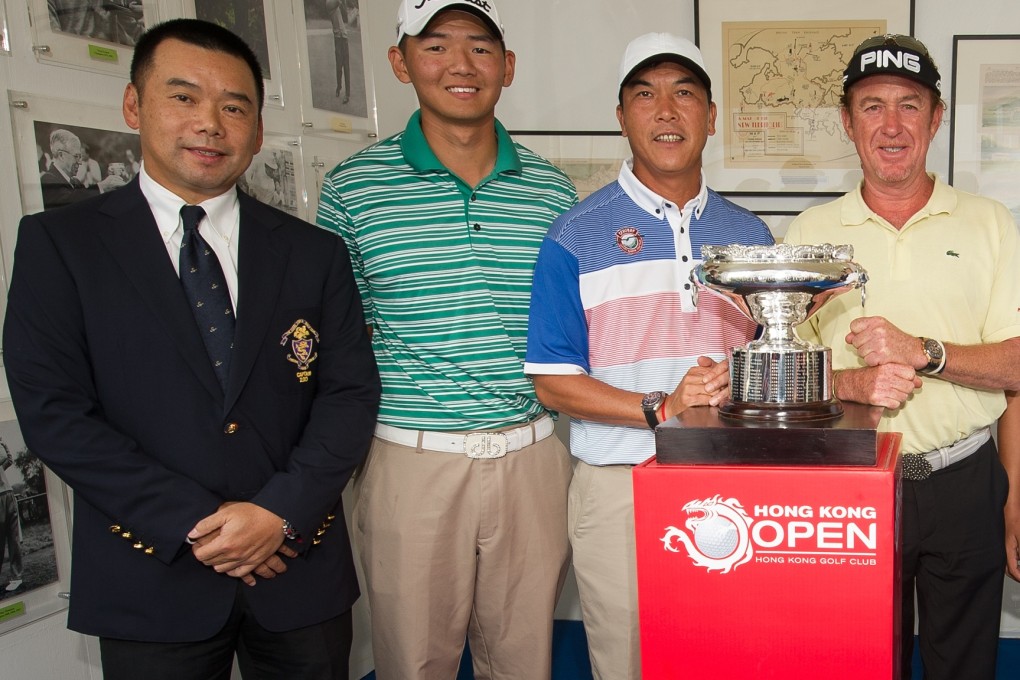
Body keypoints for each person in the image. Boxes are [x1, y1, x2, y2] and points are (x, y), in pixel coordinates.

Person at [4, 18, 380, 680]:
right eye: (183, 97)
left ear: (257, 130)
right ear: (134, 105)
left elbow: (348, 393)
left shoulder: (312, 253)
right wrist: (201, 526)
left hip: (297, 568)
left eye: (234, 106)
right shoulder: (62, 246)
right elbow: (53, 412)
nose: (210, 123)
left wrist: (278, 514)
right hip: (149, 576)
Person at [315, 1, 577, 677]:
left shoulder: (552, 190)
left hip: (531, 458)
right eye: (435, 46)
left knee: (523, 659)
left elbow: (567, 332)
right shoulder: (353, 188)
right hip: (411, 461)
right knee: (414, 661)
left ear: (507, 66)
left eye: (480, 47)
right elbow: (343, 338)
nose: (461, 64)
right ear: (401, 62)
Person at [524, 33, 774, 679]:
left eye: (684, 93)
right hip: (619, 487)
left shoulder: (750, 238)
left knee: (725, 654)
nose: (666, 110)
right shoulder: (574, 235)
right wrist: (661, 408)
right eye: (646, 94)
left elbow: (764, 361)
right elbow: (553, 383)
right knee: (628, 659)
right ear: (622, 117)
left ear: (711, 117)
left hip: (728, 483)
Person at [784, 34, 1020, 680]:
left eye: (910, 105)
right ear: (846, 121)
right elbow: (778, 378)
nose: (891, 126)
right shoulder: (808, 235)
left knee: (964, 667)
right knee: (859, 663)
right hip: (851, 485)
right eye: (872, 106)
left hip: (965, 481)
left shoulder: (991, 223)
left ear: (936, 118)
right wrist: (855, 382)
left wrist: (926, 354)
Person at [40, 128, 125, 210]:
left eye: (80, 157)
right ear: (61, 155)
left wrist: (110, 188)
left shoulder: (75, 182)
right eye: (76, 156)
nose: (80, 162)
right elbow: (70, 203)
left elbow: (90, 203)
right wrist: (101, 186)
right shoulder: (47, 180)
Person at [0, 443, 23, 594]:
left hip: (8, 494)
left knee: (14, 539)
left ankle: (17, 577)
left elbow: (8, 459)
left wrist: (3, 444)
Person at [326, 0, 351, 104]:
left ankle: (347, 94)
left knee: (346, 67)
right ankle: (339, 87)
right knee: (339, 67)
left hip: (344, 38)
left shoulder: (337, 6)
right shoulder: (329, 3)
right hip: (338, 39)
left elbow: (346, 17)